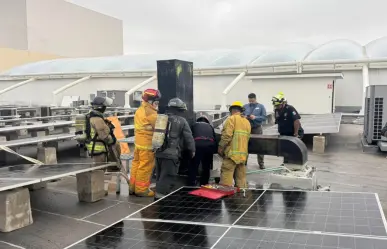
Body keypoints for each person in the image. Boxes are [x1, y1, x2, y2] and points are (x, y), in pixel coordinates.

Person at [154, 98, 195, 200]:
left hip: (158, 152)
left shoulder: (160, 118)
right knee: (167, 177)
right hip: (171, 155)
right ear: (179, 110)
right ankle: (161, 202)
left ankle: (158, 197)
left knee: (159, 176)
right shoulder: (181, 121)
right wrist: (192, 150)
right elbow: (188, 138)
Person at [130, 88, 161, 197]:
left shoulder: (140, 109)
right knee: (145, 167)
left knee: (136, 164)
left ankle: (133, 187)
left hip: (138, 143)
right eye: (156, 102)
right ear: (151, 101)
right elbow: (159, 126)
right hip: (147, 145)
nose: (157, 104)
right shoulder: (151, 112)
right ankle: (142, 190)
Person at [218, 101, 251, 188]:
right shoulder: (247, 122)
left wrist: (221, 147)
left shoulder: (231, 119)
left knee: (226, 176)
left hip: (231, 154)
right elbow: (247, 138)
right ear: (241, 110)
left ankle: (227, 197)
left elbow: (227, 136)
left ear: (232, 110)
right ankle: (241, 198)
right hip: (242, 155)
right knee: (241, 178)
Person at [84, 96, 121, 164]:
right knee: (99, 170)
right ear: (101, 107)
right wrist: (114, 141)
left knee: (98, 169)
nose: (105, 108)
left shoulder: (91, 116)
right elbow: (105, 137)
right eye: (104, 106)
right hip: (98, 148)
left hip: (94, 146)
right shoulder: (97, 119)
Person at [272, 94, 303, 163]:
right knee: (285, 150)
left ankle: (295, 165)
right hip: (284, 133)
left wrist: (296, 134)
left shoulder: (290, 109)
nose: (276, 107)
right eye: (275, 105)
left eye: (278, 105)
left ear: (283, 103)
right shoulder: (277, 110)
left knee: (293, 150)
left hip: (293, 132)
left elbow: (296, 121)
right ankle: (286, 163)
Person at [187, 113, 217, 186]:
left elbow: (189, 136)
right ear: (207, 121)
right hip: (209, 146)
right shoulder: (210, 126)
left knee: (194, 166)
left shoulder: (194, 125)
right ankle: (204, 184)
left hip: (197, 146)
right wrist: (214, 151)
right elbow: (215, 139)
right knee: (206, 167)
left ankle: (191, 184)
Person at [243, 93, 267, 169]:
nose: (251, 102)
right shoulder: (245, 106)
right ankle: (244, 161)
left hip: (257, 128)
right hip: (247, 128)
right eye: (250, 101)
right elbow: (241, 115)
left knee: (259, 145)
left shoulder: (261, 106)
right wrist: (244, 117)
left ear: (255, 99)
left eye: (252, 101)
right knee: (245, 145)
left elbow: (264, 117)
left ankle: (261, 163)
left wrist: (255, 117)